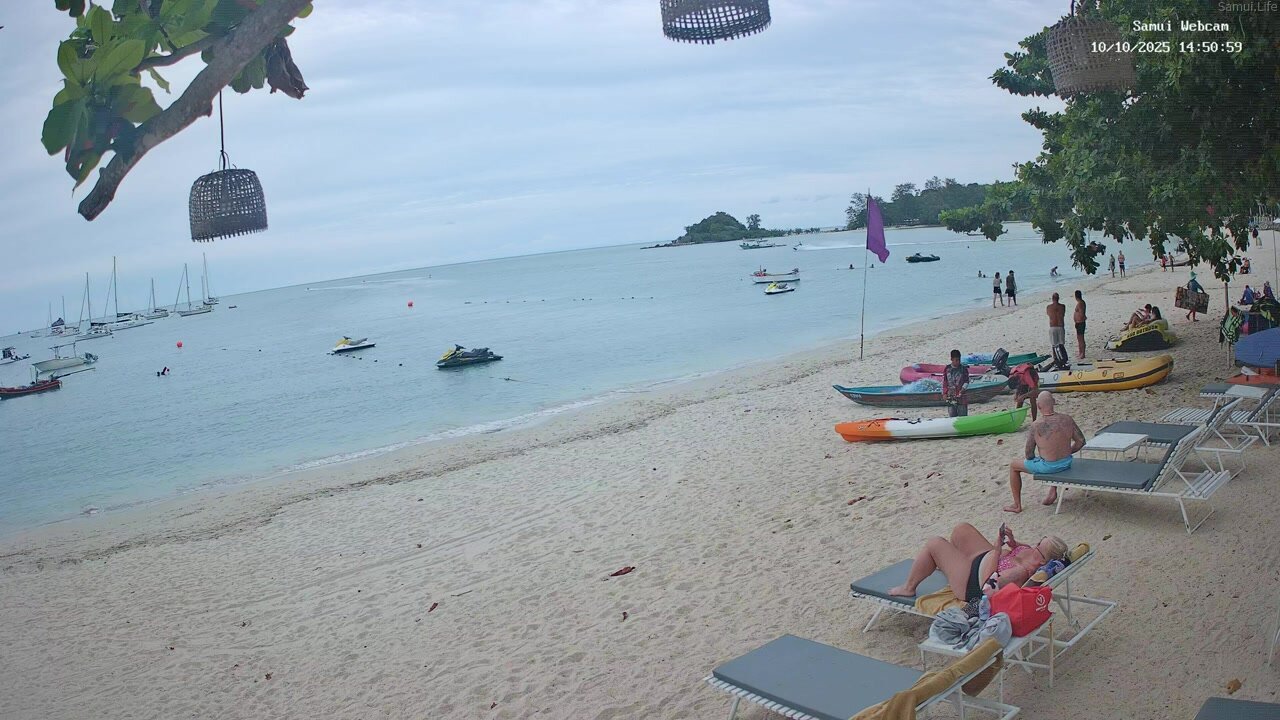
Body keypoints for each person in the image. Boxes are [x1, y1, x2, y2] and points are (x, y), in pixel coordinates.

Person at [887, 522, 1069, 603]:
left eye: (1039, 546)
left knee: (934, 543)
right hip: (984, 558)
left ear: (1043, 560)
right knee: (961, 529)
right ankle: (950, 565)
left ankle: (909, 587)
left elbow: (987, 586)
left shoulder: (1020, 573)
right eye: (1039, 540)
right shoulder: (1034, 555)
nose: (1035, 545)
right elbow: (1019, 549)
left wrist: (997, 549)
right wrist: (1012, 542)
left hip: (972, 582)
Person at [1006, 391, 1086, 513]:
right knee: (1052, 458)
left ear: (1038, 406)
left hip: (1049, 467)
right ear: (1054, 402)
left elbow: (1029, 454)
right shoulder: (1068, 419)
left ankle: (1017, 505)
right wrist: (1066, 451)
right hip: (1066, 462)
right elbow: (1081, 441)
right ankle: (1052, 490)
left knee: (1013, 465)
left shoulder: (1036, 425)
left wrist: (1043, 455)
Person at [942, 349, 969, 417]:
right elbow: (945, 382)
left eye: (959, 360)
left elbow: (966, 381)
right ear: (951, 359)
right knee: (952, 416)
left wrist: (963, 389)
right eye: (956, 360)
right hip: (950, 396)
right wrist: (944, 393)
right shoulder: (947, 369)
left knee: (963, 416)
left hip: (962, 397)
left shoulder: (963, 369)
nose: (958, 362)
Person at [1073, 290, 1087, 360]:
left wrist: (1080, 319)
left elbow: (1081, 314)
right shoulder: (1081, 302)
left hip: (1080, 323)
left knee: (1081, 339)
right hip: (1079, 322)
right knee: (1079, 339)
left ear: (1076, 296)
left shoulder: (1080, 303)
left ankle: (1082, 354)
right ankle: (1080, 352)